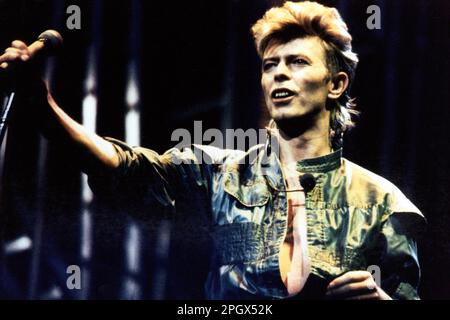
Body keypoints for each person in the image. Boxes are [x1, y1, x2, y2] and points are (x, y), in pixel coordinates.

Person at [0, 1, 425, 299]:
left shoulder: (382, 202)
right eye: (269, 65)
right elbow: (124, 167)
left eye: (297, 62)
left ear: (336, 84)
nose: (278, 74)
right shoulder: (219, 171)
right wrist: (44, 107)